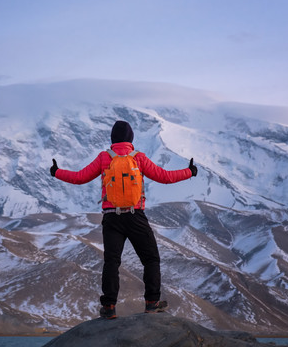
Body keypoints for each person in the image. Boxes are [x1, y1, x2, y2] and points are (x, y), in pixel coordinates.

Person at [50, 120, 197, 319]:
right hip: (135, 216)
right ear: (130, 139)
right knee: (151, 259)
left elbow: (79, 177)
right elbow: (164, 176)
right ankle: (152, 303)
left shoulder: (104, 158)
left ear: (112, 138)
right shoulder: (139, 158)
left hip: (111, 218)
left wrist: (57, 172)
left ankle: (109, 307)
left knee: (112, 262)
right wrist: (189, 172)